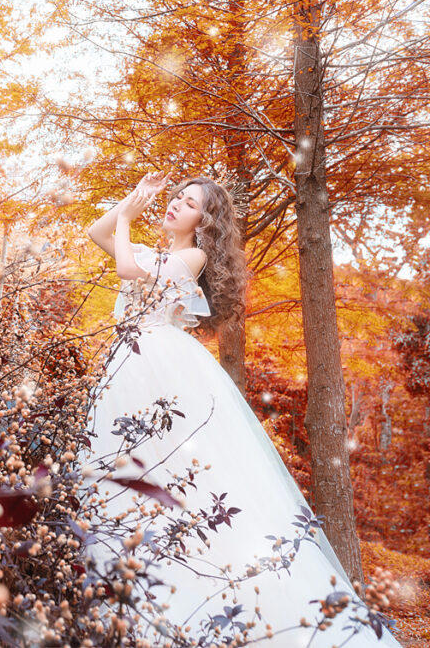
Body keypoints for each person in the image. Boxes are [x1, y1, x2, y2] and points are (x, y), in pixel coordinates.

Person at [75, 171, 402, 647]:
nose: (175, 205)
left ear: (204, 220)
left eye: (187, 204)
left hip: (159, 368)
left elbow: (125, 269)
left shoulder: (193, 256)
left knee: (169, 473)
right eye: (175, 197)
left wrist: (127, 218)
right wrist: (134, 201)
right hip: (128, 363)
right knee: (123, 469)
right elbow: (97, 233)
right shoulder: (157, 253)